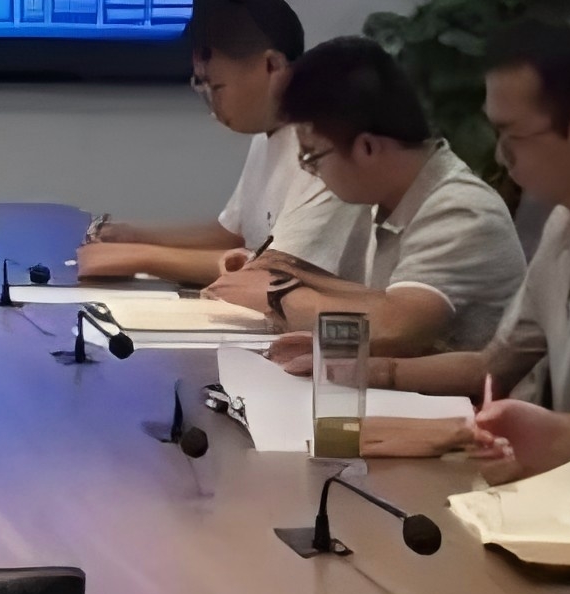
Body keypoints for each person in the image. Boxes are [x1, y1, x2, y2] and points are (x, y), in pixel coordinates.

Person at [297, 11, 570, 465]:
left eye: (513, 135)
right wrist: (363, 370)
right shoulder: (565, 222)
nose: (500, 154)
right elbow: (492, 366)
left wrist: (460, 434)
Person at [207, 36, 525, 355]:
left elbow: (394, 326)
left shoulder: (459, 210)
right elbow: (382, 299)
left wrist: (276, 296)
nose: (310, 172)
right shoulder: (391, 197)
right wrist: (287, 272)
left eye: (312, 157)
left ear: (368, 148)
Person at [75, 0, 342, 286]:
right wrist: (131, 236)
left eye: (216, 88)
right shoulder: (268, 135)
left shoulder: (325, 149)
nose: (213, 107)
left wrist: (139, 256)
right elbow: (234, 233)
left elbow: (279, 272)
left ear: (272, 66)